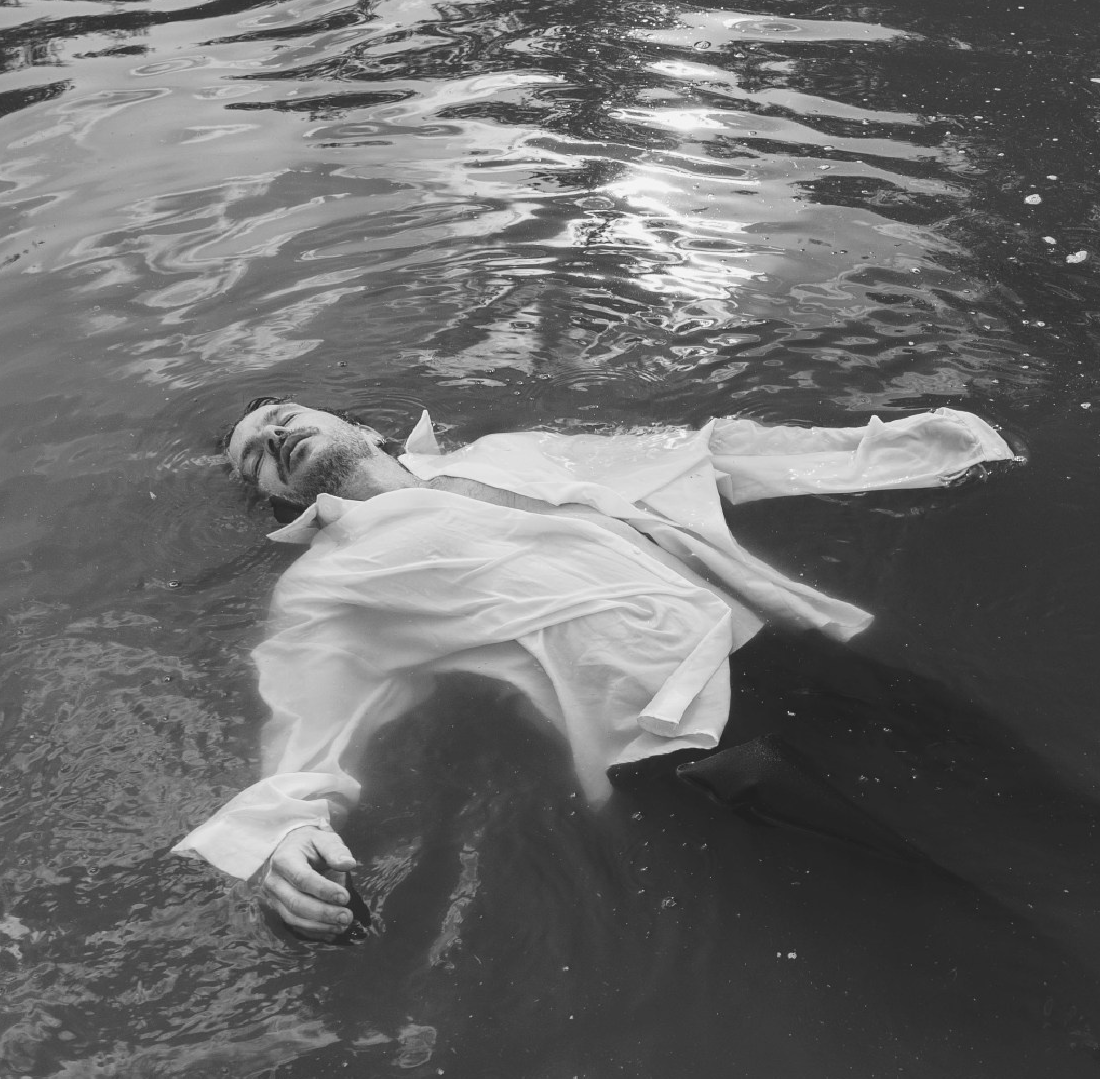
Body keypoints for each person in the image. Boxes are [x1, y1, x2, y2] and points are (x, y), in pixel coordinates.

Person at [176, 396, 1020, 940]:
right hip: (689, 745)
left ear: (358, 425)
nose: (272, 437)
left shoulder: (510, 451)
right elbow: (304, 706)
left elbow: (703, 456)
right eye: (255, 457)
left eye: (278, 416)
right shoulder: (328, 583)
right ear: (279, 500)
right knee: (950, 910)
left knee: (1029, 791)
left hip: (789, 653)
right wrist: (287, 834)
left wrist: (914, 451)